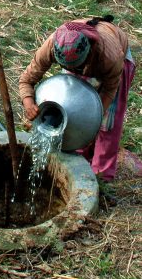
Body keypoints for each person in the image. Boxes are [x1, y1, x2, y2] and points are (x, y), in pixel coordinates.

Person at [19, 15, 141, 181]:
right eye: (65, 67)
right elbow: (26, 79)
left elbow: (110, 91)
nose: (70, 70)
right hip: (83, 60)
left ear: (88, 53)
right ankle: (78, 158)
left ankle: (101, 175)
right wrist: (28, 103)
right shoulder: (54, 45)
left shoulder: (109, 56)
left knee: (107, 123)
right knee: (71, 110)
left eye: (75, 66)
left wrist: (93, 121)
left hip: (114, 65)